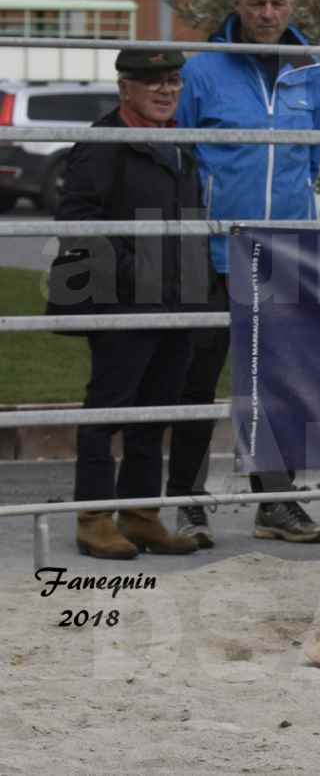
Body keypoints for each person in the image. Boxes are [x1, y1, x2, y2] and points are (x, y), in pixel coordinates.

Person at [171, 0, 320, 545]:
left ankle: (275, 502)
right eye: (257, 3)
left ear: (292, 5)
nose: (267, 14)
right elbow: (181, 155)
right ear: (237, 4)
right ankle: (186, 501)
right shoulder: (204, 69)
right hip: (215, 250)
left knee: (275, 382)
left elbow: (312, 154)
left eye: (278, 3)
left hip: (282, 250)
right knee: (198, 379)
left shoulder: (308, 67)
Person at [55, 49, 207, 559]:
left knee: (156, 412)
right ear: (125, 88)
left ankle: (142, 514)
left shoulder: (179, 142)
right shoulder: (101, 145)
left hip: (178, 299)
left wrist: (191, 280)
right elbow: (79, 221)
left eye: (173, 81)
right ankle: (93, 518)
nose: (166, 91)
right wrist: (130, 278)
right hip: (124, 303)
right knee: (107, 410)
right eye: (152, 83)